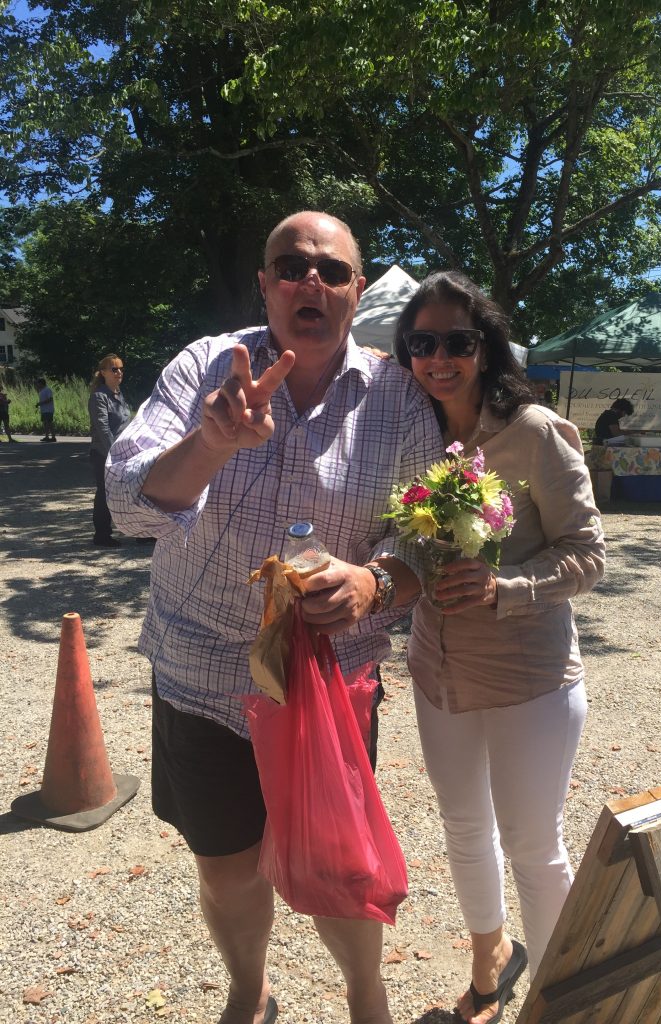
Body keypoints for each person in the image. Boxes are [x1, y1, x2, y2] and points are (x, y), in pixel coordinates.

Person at [105, 210, 444, 1024]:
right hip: (202, 673)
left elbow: (431, 538)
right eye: (291, 266)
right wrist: (214, 442)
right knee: (226, 868)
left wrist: (375, 582)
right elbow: (126, 501)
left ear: (357, 291)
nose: (311, 282)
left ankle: (367, 996)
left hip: (328, 684)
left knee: (338, 861)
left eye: (332, 271)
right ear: (265, 285)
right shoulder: (206, 367)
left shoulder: (398, 398)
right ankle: (249, 989)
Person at [394, 271, 606, 1023]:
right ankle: (493, 957)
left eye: (457, 341)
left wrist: (504, 587)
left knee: (532, 844)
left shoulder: (536, 431)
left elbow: (589, 552)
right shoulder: (409, 434)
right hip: (436, 669)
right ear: (406, 352)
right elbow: (401, 547)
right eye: (423, 343)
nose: (440, 357)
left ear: (485, 348)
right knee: (461, 826)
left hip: (529, 676)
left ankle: (560, 999)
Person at [88, 354, 132, 547]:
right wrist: (114, 454)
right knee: (105, 493)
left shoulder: (119, 395)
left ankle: (140, 531)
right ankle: (102, 535)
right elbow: (102, 428)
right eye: (114, 369)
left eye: (121, 368)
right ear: (103, 372)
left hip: (124, 452)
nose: (119, 372)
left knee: (130, 490)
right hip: (104, 453)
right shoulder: (99, 397)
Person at [35, 377, 56, 442]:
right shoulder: (41, 390)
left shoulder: (47, 389)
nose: (37, 385)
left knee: (48, 423)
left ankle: (52, 437)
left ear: (41, 383)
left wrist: (41, 403)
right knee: (46, 423)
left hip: (48, 409)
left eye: (38, 383)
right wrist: (39, 404)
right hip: (44, 410)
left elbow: (50, 399)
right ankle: (48, 437)